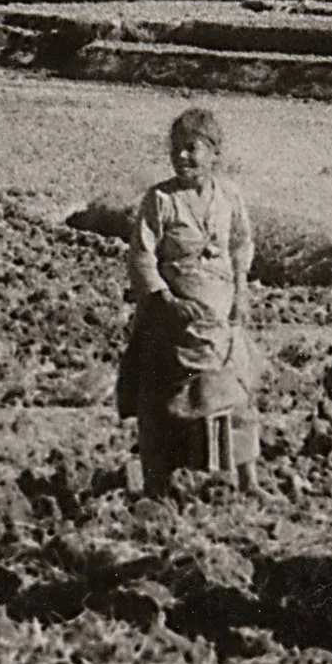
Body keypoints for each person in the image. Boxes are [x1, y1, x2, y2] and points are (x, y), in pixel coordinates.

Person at [117, 107, 260, 498]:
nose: (182, 157)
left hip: (223, 316)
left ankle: (248, 481)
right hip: (174, 319)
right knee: (166, 400)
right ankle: (158, 485)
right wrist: (166, 299)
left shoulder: (229, 196)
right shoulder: (160, 200)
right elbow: (142, 256)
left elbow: (241, 244)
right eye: (176, 149)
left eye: (191, 149)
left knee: (238, 396)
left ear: (214, 152)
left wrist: (242, 293)